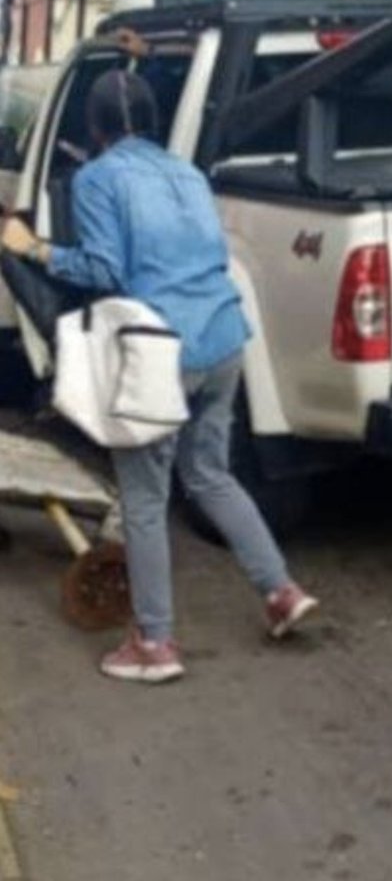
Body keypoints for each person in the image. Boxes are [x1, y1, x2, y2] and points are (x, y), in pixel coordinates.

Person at [1, 68, 318, 684]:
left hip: (161, 352)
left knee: (145, 501)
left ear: (95, 128)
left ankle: (153, 644)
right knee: (210, 474)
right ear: (148, 120)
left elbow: (102, 268)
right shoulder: (188, 173)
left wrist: (32, 247)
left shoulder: (97, 178)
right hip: (224, 340)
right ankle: (280, 590)